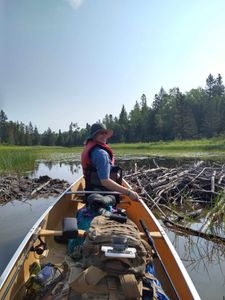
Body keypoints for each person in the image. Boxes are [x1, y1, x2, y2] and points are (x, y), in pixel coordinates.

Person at [81, 123, 139, 201]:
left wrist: (122, 185)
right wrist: (129, 193)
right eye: (101, 133)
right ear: (94, 136)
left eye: (105, 133)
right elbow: (105, 181)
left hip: (90, 190)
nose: (104, 135)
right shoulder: (101, 154)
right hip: (104, 193)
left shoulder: (90, 148)